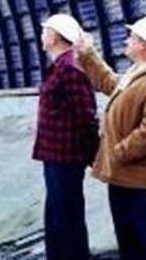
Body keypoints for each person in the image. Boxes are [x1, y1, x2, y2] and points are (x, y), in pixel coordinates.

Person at [75, 15, 146, 260]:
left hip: (141, 179)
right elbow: (109, 83)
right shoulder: (139, 72)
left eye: (132, 37)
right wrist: (88, 55)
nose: (127, 40)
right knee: (131, 245)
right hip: (124, 177)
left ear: (144, 45)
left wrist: (119, 152)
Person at [32, 13, 98, 260]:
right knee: (57, 218)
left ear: (56, 37)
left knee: (68, 219)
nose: (42, 35)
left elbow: (86, 116)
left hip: (66, 157)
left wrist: (93, 155)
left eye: (45, 30)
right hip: (55, 155)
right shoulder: (60, 66)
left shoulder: (70, 69)